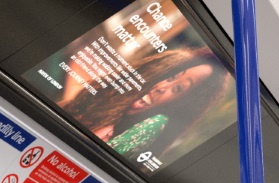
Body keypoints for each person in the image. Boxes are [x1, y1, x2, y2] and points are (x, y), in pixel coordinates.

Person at [72, 46, 233, 161]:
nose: (161, 88)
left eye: (177, 88)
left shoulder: (155, 125)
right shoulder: (113, 97)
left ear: (180, 104)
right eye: (171, 77)